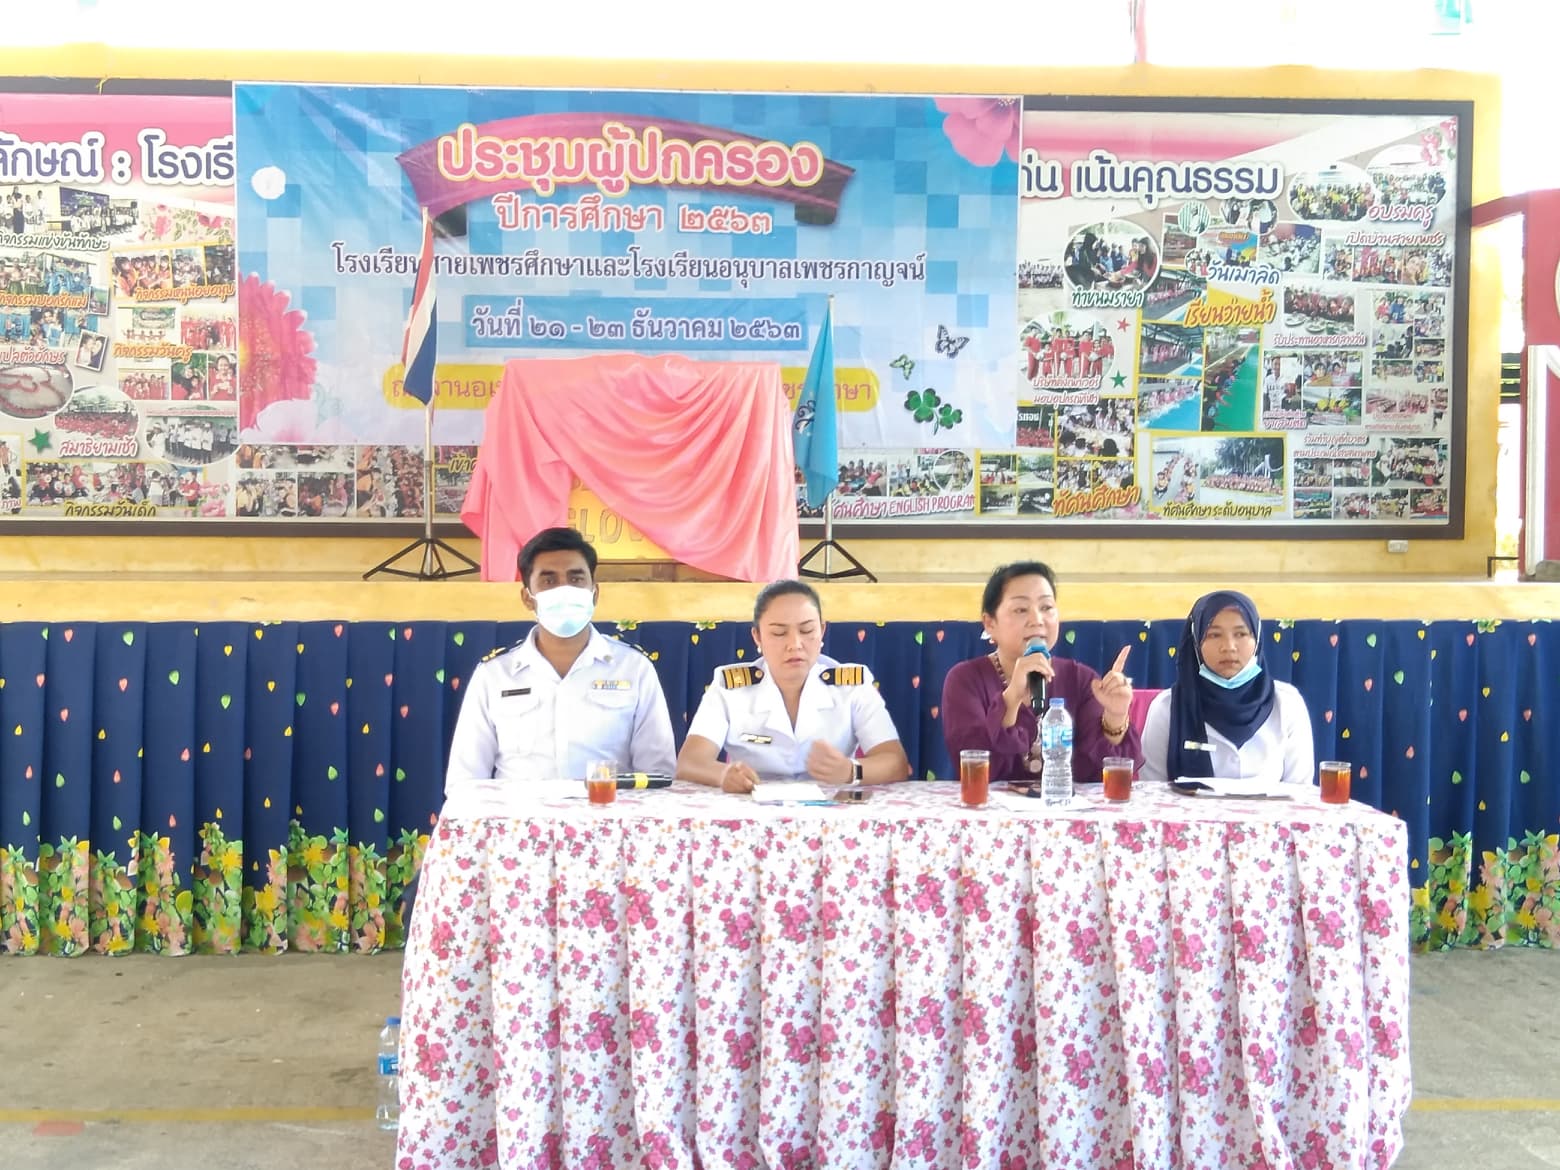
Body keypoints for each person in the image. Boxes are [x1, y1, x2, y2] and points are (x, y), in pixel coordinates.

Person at [442, 526, 677, 798]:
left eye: (576, 579)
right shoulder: (494, 675)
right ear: (527, 598)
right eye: (549, 581)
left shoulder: (634, 669)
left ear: (594, 593)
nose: (564, 590)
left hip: (607, 816)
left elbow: (657, 776)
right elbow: (465, 781)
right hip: (518, 818)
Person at [676, 579, 910, 792]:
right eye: (779, 633)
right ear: (757, 637)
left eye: (807, 630)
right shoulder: (730, 687)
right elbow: (690, 762)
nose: (795, 644)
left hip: (831, 809)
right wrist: (724, 774)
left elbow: (895, 762)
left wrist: (851, 771)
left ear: (822, 631)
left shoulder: (852, 685)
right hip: (752, 806)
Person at [940, 561, 1138, 783]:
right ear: (989, 623)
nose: (1037, 620)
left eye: (1046, 607)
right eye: (1021, 610)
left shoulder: (1082, 679)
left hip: (1065, 804)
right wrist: (1012, 697)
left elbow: (1103, 778)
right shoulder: (964, 680)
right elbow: (974, 771)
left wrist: (1116, 716)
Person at [1139, 590, 1315, 786]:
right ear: (1196, 642)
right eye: (1214, 635)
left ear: (1257, 640)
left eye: (1240, 634)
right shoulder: (1167, 708)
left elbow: (1300, 792)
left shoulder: (1287, 704)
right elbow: (1152, 790)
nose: (1229, 646)